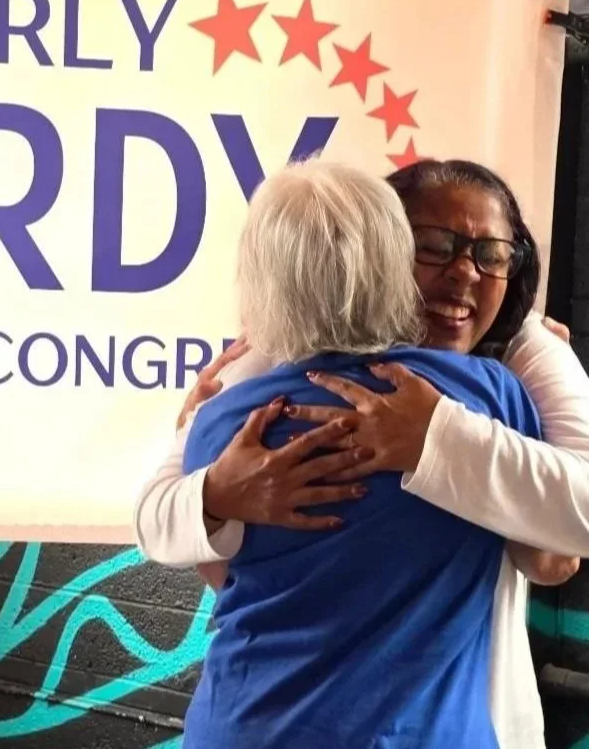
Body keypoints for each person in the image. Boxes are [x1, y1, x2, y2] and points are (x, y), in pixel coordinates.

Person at [133, 158, 589, 749]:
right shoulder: (252, 376)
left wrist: (434, 437)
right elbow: (161, 521)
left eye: (491, 253)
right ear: (383, 254)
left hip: (297, 720)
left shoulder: (518, 361)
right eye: (432, 246)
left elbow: (227, 573)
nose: (462, 272)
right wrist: (217, 492)